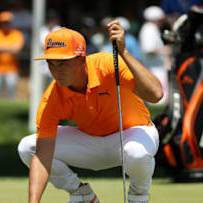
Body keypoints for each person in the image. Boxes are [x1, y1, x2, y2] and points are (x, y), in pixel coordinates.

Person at [18, 21, 163, 203]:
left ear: (81, 59)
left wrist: (124, 52)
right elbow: (42, 157)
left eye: (62, 63)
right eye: (51, 64)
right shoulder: (52, 97)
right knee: (27, 147)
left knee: (136, 153)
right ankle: (81, 194)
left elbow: (156, 94)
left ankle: (138, 196)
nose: (56, 71)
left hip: (132, 133)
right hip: (90, 143)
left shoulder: (109, 64)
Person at [0, 11, 24, 99]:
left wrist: (0, 48)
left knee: (11, 93)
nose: (5, 24)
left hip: (12, 68)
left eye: (7, 22)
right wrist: (10, 48)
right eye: (3, 22)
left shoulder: (17, 34)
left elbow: (17, 49)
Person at [139, 6, 170, 106]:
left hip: (157, 68)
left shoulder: (151, 28)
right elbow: (148, 49)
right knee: (158, 101)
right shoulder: (149, 29)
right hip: (154, 69)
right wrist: (165, 51)